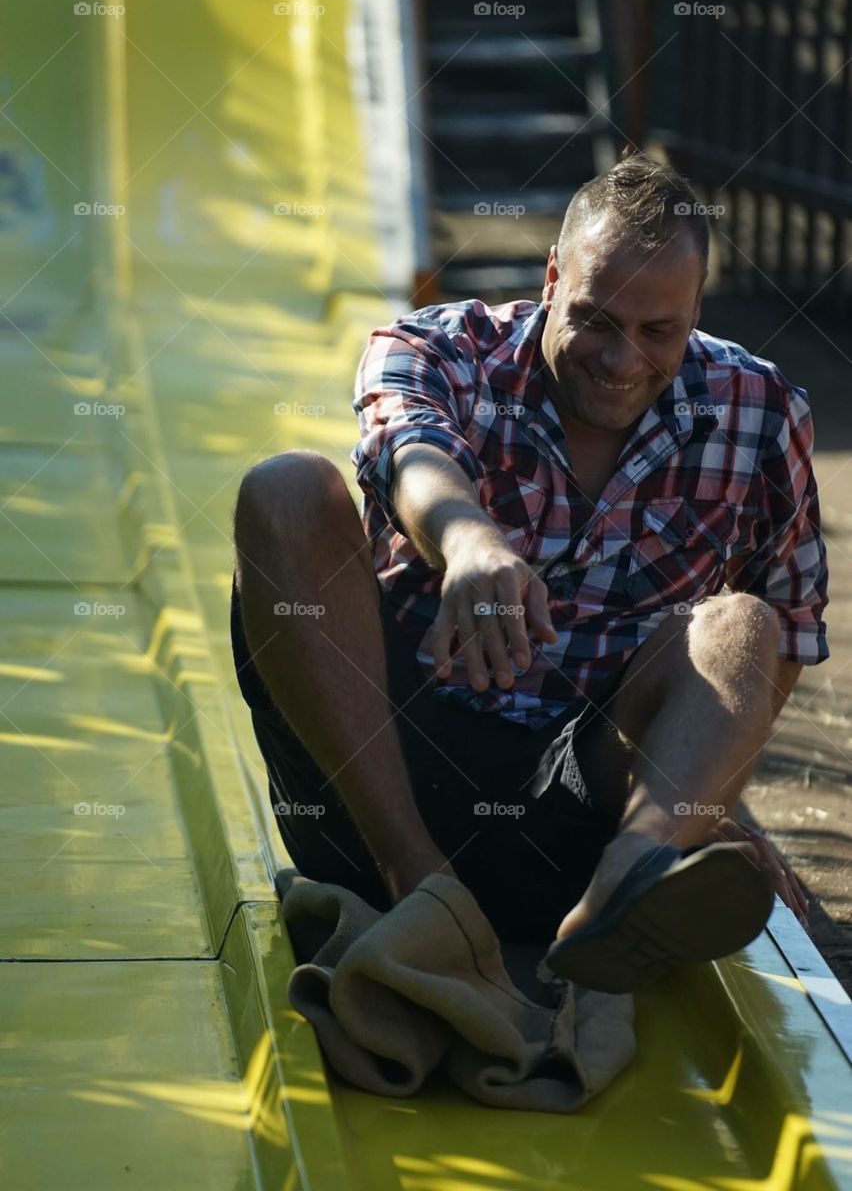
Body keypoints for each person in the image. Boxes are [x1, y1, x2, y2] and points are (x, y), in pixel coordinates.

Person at [230, 150, 827, 991]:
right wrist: (470, 542)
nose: (622, 360)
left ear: (697, 311)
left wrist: (701, 795)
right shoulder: (435, 348)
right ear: (552, 276)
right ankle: (423, 892)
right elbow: (411, 452)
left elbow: (790, 628)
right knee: (286, 490)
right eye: (596, 319)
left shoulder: (761, 412)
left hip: (576, 819)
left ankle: (632, 882)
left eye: (659, 331)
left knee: (744, 627)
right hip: (384, 789)